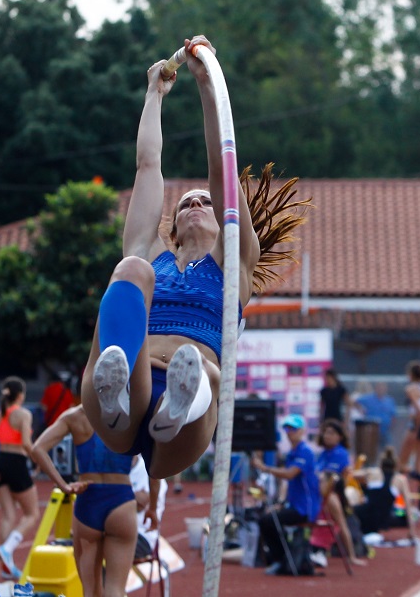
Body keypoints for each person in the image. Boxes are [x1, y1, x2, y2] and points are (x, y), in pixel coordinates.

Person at [81, 35, 309, 480]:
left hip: (188, 420)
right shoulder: (153, 254)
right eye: (184, 204)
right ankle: (116, 389)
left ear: (222, 215)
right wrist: (155, 94)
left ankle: (178, 405)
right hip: (132, 388)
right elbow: (148, 166)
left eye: (204, 202)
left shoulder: (234, 265)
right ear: (172, 225)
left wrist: (207, 85)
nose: (193, 206)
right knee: (130, 269)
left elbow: (222, 172)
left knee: (205, 368)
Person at [31, 405, 137, 597]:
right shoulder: (132, 412)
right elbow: (153, 461)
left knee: (90, 591)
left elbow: (37, 448)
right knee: (116, 590)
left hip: (89, 500)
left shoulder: (75, 416)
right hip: (121, 499)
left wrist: (63, 485)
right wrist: (153, 507)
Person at [0, 376, 39, 579]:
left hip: (0, 461)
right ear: (20, 395)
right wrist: (38, 460)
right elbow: (27, 444)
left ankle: (5, 567)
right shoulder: (23, 414)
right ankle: (7, 549)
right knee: (32, 514)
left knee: (8, 515)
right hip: (16, 462)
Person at [251, 414, 321, 575]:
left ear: (302, 431)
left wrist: (264, 468)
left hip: (305, 509)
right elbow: (290, 483)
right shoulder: (292, 453)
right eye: (287, 429)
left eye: (293, 429)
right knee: (266, 518)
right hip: (295, 505)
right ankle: (282, 559)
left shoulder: (305, 452)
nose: (289, 432)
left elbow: (290, 474)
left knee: (268, 521)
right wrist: (281, 503)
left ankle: (282, 560)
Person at [350, 447, 417, 538]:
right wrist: (412, 530)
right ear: (395, 465)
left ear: (380, 464)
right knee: (403, 515)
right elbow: (408, 506)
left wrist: (363, 482)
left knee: (350, 506)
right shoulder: (400, 480)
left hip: (365, 516)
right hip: (384, 520)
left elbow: (351, 474)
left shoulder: (372, 472)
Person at [309, 470, 368, 569]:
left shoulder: (332, 500)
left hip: (318, 544)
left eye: (321, 481)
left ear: (329, 484)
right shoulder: (321, 497)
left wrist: (352, 556)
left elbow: (343, 527)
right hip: (313, 539)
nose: (317, 483)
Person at [129, 455, 167, 560]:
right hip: (116, 530)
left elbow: (141, 503)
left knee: (107, 546)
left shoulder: (148, 468)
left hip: (142, 536)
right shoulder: (114, 468)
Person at [356, 381, 396, 448]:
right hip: (372, 430)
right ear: (376, 388)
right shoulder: (368, 398)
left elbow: (393, 415)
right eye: (379, 388)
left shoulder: (389, 400)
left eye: (383, 388)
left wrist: (391, 426)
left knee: (388, 448)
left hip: (385, 431)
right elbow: (355, 402)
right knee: (371, 449)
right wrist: (361, 410)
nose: (381, 389)